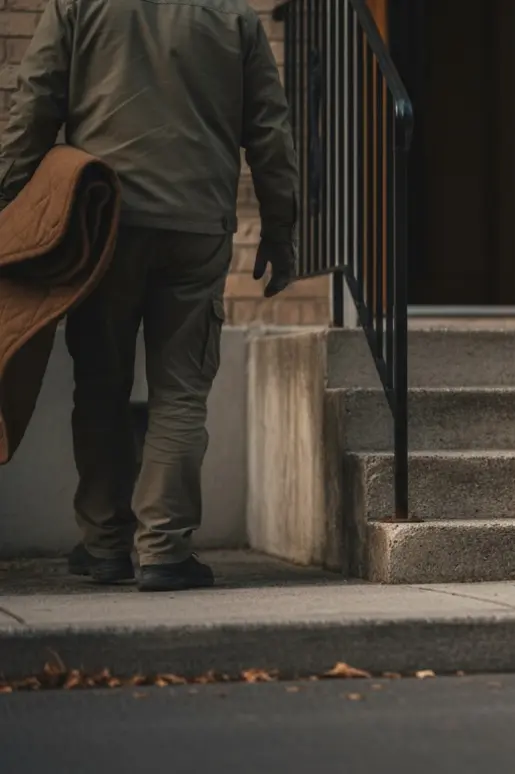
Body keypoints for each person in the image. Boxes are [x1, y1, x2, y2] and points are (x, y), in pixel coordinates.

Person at [0, 0, 298, 591]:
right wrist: (280, 229)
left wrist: (10, 206)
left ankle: (105, 544)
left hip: (102, 222)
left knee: (101, 385)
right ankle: (163, 548)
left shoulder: (76, 5)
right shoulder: (234, 17)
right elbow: (268, 128)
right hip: (195, 226)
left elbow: (33, 105)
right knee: (182, 391)